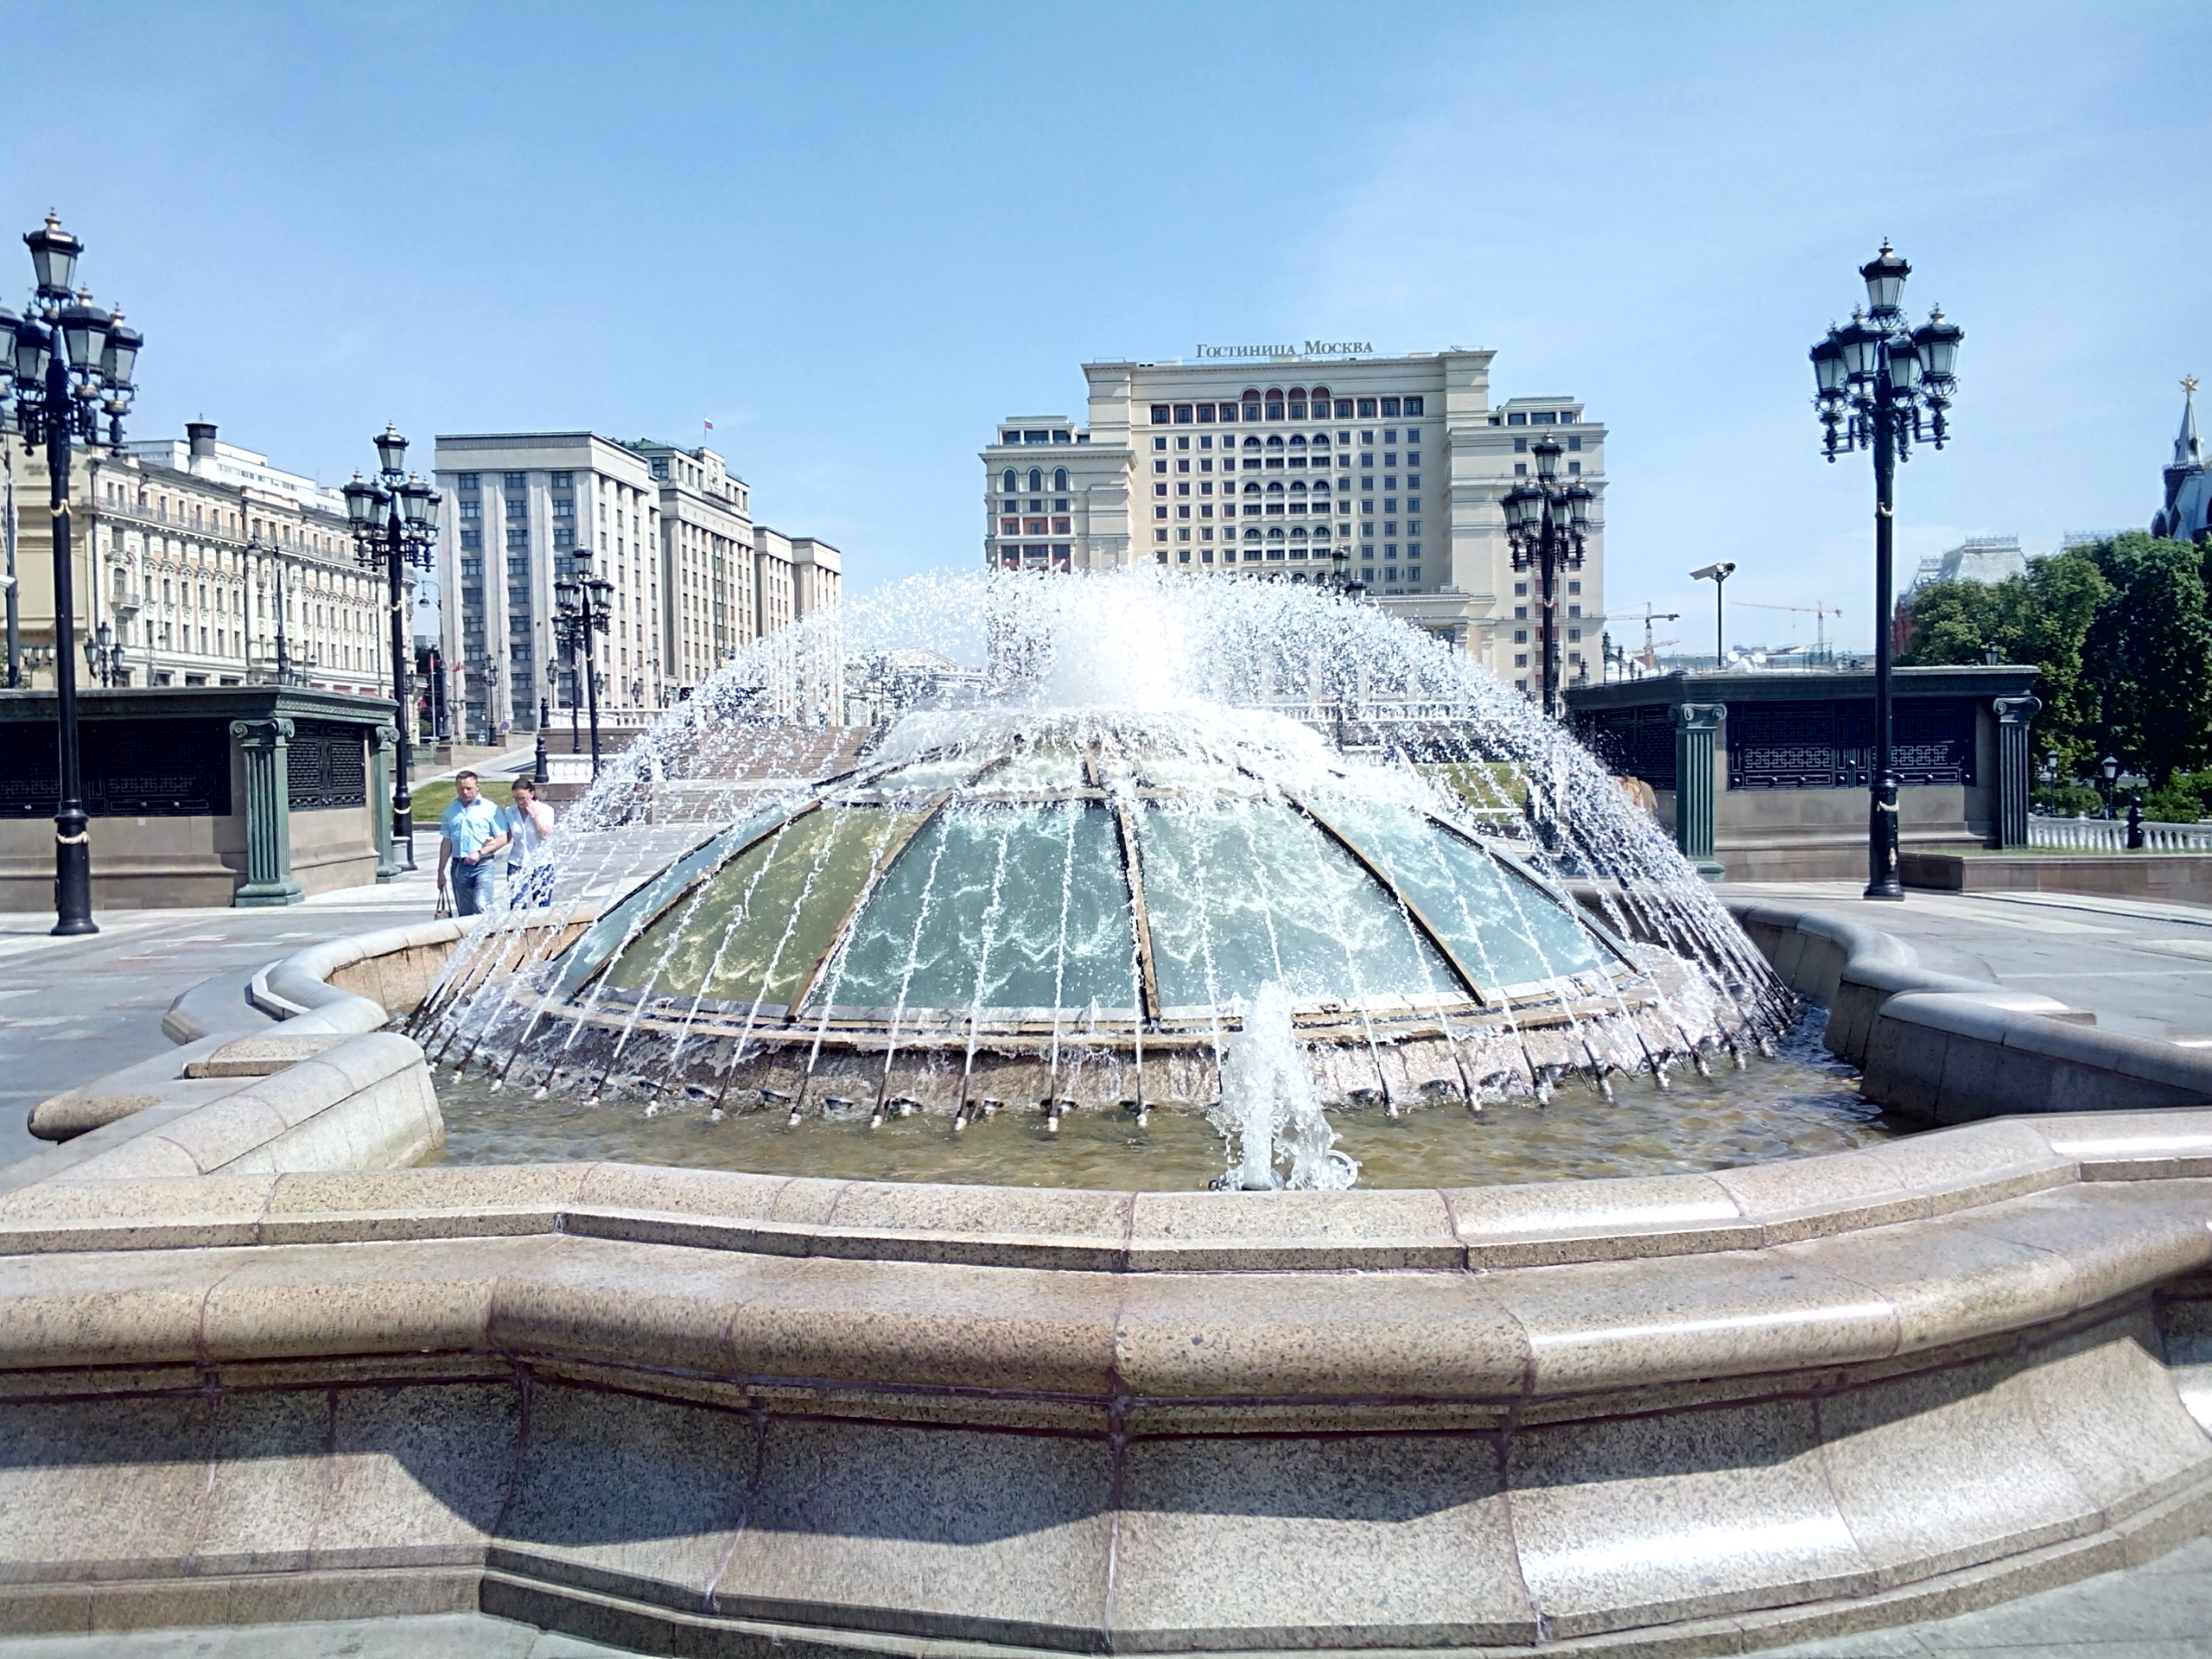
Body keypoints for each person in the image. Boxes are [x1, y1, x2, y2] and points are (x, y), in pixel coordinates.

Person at [436, 771, 505, 917]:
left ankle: (484, 938)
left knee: (482, 906)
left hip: (483, 864)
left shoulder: (490, 808)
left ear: (477, 787)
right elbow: (446, 842)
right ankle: (468, 939)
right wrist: (441, 871)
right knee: (464, 913)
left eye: (469, 788)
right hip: (459, 866)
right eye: (461, 789)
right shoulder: (450, 811)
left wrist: (481, 852)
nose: (465, 792)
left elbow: (503, 837)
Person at [499, 778, 557, 907]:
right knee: (516, 904)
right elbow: (507, 835)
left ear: (531, 794)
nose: (520, 801)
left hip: (542, 862)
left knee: (542, 904)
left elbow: (546, 834)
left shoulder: (546, 810)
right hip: (517, 862)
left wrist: (535, 816)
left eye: (523, 798)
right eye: (516, 798)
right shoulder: (510, 811)